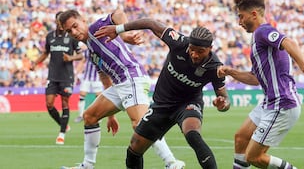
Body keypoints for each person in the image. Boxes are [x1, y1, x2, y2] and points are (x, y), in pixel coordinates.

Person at [94, 19, 231, 169]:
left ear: (210, 49)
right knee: (134, 149)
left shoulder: (215, 67)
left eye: (200, 51)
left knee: (192, 134)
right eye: (192, 49)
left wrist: (222, 104)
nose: (195, 54)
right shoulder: (179, 42)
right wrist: (119, 28)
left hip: (188, 104)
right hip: (161, 105)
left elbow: (225, 99)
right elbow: (151, 23)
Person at [58, 9, 185, 169]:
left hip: (131, 77)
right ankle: (87, 165)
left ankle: (172, 163)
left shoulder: (96, 28)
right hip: (119, 85)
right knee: (89, 116)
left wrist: (123, 33)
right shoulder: (90, 51)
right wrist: (110, 115)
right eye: (69, 31)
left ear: (83, 20)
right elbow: (104, 77)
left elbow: (117, 14)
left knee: (140, 123)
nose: (74, 32)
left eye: (75, 26)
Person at [216, 0, 304, 169]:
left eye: (241, 16)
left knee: (254, 157)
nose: (239, 22)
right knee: (241, 137)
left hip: (282, 104)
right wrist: (231, 72)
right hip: (270, 101)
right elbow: (254, 78)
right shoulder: (256, 38)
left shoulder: (263, 31)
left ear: (254, 14)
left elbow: (288, 42)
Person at [31, 11, 84, 145]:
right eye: (59, 22)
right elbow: (45, 53)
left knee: (65, 103)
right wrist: (36, 63)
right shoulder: (50, 37)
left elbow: (81, 55)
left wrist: (70, 58)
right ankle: (63, 124)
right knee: (49, 104)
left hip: (67, 76)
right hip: (53, 75)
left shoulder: (71, 36)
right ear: (56, 22)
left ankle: (61, 134)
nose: (61, 25)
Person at [74, 46, 103, 123]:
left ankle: (98, 116)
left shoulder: (102, 51)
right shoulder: (87, 51)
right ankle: (80, 115)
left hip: (97, 78)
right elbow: (82, 61)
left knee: (99, 97)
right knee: (82, 95)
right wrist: (76, 73)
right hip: (86, 77)